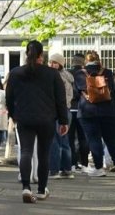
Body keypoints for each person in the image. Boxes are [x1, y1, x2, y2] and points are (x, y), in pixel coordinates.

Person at [5, 40, 69, 203]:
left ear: (27, 53)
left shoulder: (16, 73)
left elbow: (9, 97)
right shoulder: (52, 74)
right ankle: (41, 189)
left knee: (26, 151)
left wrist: (13, 115)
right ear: (42, 55)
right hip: (47, 118)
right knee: (43, 154)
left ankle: (26, 187)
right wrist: (63, 121)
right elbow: (60, 99)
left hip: (24, 117)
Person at [78, 50, 115, 176]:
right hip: (109, 111)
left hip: (88, 111)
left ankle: (99, 168)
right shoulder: (108, 72)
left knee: (94, 140)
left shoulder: (80, 74)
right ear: (98, 59)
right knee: (112, 139)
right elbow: (112, 89)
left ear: (86, 61)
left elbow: (79, 91)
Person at [47, 57, 75, 177]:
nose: (52, 64)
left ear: (60, 64)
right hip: (67, 110)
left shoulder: (56, 77)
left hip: (57, 110)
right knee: (64, 140)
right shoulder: (68, 77)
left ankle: (54, 170)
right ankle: (67, 169)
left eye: (55, 62)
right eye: (51, 62)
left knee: (54, 140)